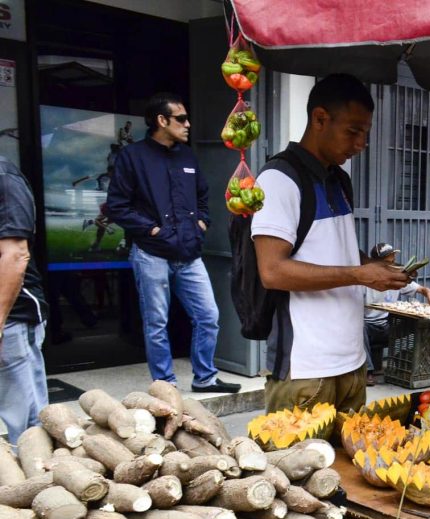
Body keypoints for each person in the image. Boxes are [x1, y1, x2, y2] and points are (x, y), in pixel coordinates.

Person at [252, 74, 410, 414]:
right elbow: (273, 271)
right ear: (320, 119)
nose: (360, 144)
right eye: (353, 131)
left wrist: (374, 266)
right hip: (306, 369)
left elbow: (334, 253)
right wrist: (359, 274)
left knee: (350, 464)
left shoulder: (340, 181)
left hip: (352, 363)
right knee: (300, 464)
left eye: (365, 133)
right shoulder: (278, 179)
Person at [106, 93, 240, 393]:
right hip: (152, 254)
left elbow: (203, 195)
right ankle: (165, 385)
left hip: (189, 254)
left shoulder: (187, 155)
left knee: (208, 316)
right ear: (161, 120)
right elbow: (117, 206)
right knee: (156, 324)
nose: (188, 124)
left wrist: (201, 224)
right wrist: (152, 231)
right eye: (181, 119)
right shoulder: (133, 157)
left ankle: (204, 377)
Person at [0, 156, 49, 445]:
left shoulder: (5, 178)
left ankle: (35, 480)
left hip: (13, 314)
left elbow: (16, 255)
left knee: (28, 422)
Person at [362, 242, 430, 385]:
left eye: (393, 259)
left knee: (419, 325)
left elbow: (421, 289)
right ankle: (367, 371)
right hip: (369, 326)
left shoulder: (396, 277)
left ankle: (408, 364)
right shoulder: (366, 281)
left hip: (388, 325)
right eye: (387, 262)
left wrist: (429, 293)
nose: (392, 263)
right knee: (358, 328)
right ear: (376, 265)